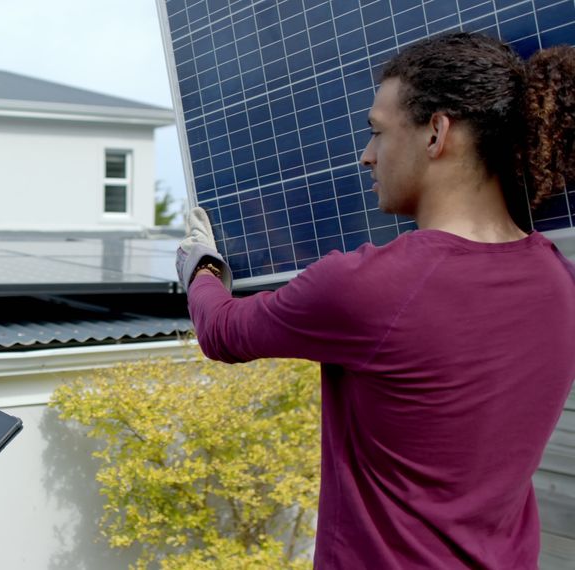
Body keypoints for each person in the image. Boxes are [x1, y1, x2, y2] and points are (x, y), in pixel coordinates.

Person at [178, 32, 575, 568]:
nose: (366, 156)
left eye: (377, 133)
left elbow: (221, 331)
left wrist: (199, 265)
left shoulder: (370, 287)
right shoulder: (560, 280)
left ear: (436, 133)